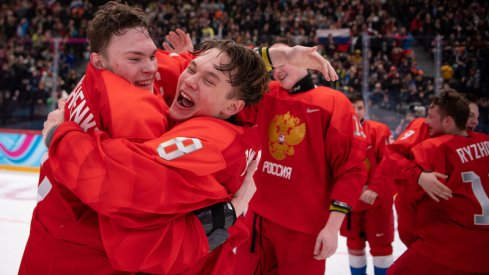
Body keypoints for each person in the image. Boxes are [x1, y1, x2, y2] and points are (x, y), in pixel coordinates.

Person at [19, 2, 338, 274]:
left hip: (61, 241)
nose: (151, 68)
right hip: (72, 254)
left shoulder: (124, 82)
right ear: (98, 61)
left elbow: (202, 64)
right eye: (135, 59)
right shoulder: (133, 103)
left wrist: (58, 135)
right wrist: (229, 214)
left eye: (151, 56)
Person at [40, 40, 268, 275]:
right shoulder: (232, 119)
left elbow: (120, 183)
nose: (189, 80)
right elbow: (149, 61)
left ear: (233, 107)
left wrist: (60, 136)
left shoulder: (212, 144)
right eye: (191, 69)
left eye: (208, 81)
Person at [234, 42, 367, 275]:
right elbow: (235, 78)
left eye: (285, 63)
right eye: (275, 65)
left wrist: (332, 227)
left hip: (304, 228)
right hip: (258, 218)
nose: (278, 70)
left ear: (306, 64)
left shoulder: (333, 103)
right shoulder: (267, 94)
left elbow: (351, 169)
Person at [388, 91, 489, 275]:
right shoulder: (485, 140)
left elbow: (391, 162)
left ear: (448, 121)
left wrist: (417, 176)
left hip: (449, 244)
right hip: (482, 247)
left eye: (431, 117)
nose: (427, 121)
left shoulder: (436, 147)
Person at [341, 94, 395, 275]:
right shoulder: (337, 132)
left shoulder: (380, 130)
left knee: (381, 248)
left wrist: (374, 189)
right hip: (350, 203)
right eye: (352, 108)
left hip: (376, 203)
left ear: (365, 109)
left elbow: (389, 162)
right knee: (354, 247)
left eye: (360, 108)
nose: (356, 112)